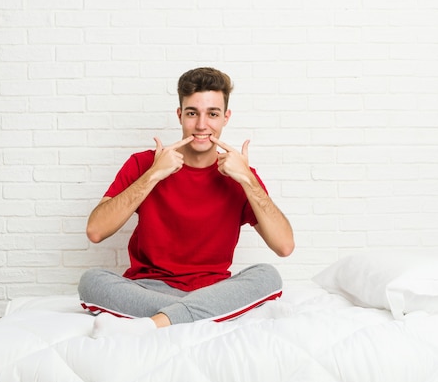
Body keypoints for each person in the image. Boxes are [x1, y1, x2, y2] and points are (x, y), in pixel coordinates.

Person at [78, 67, 294, 338]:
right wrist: (154, 175)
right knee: (92, 281)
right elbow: (96, 231)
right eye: (192, 113)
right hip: (148, 289)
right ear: (180, 115)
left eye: (212, 114)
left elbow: (284, 246)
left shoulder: (240, 174)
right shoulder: (144, 164)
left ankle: (153, 324)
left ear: (226, 118)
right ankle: (203, 314)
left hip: (211, 290)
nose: (202, 125)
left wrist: (247, 180)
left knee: (267, 276)